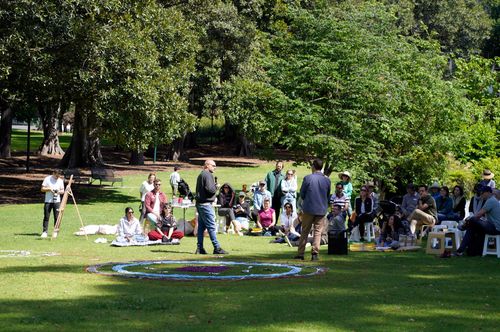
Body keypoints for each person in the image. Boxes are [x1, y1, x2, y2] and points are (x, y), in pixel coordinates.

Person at [295, 158, 331, 261]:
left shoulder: (308, 178)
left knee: (305, 231)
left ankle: (301, 254)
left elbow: (302, 194)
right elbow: (327, 195)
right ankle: (315, 254)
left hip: (309, 209)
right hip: (321, 209)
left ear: (313, 167)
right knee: (318, 232)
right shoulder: (327, 180)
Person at [455, 186, 500, 256]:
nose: (481, 194)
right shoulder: (491, 200)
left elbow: (478, 215)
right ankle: (464, 250)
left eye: (482, 193)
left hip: (496, 228)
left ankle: (463, 227)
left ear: (488, 193)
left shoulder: (491, 200)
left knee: (473, 220)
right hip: (493, 226)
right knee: (472, 227)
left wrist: (466, 221)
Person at [195, 160, 228, 255]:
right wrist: (216, 187)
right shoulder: (208, 175)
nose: (215, 167)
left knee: (201, 227)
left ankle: (200, 248)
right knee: (211, 226)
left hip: (200, 204)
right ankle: (216, 247)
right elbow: (210, 190)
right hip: (206, 204)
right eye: (213, 165)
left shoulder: (201, 175)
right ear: (207, 165)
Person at [40, 170, 65, 238]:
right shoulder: (47, 179)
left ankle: (55, 232)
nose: (58, 177)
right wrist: (49, 189)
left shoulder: (60, 180)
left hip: (57, 201)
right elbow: (42, 189)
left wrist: (57, 192)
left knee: (57, 217)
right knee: (46, 217)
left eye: (59, 176)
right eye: (57, 175)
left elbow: (62, 191)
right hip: (48, 201)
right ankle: (44, 232)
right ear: (53, 173)